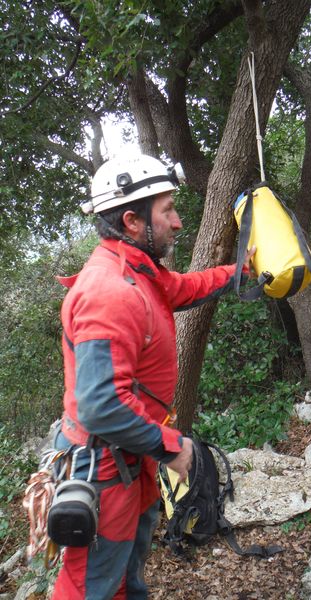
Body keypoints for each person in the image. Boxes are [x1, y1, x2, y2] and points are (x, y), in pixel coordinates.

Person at [51, 154, 254, 599]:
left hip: (130, 459)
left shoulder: (136, 271)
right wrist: (172, 447)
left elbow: (181, 288)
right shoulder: (109, 293)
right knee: (91, 588)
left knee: (127, 577)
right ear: (132, 220)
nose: (178, 222)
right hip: (105, 471)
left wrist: (241, 272)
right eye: (168, 210)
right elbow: (101, 405)